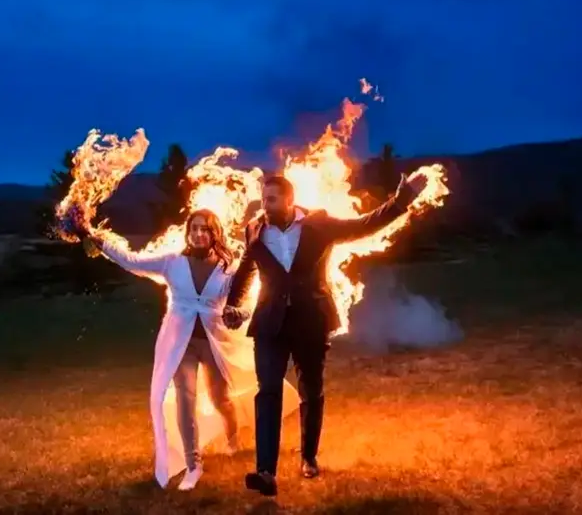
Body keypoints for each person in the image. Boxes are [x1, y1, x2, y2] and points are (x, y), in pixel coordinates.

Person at [223, 172, 428, 497]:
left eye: (271, 199)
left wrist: (401, 201)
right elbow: (247, 267)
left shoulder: (319, 225)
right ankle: (265, 472)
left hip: (310, 320)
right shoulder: (254, 229)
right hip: (270, 323)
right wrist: (233, 304)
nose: (265, 205)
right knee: (268, 391)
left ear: (289, 200)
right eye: (263, 199)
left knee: (311, 390)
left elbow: (364, 226)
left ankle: (308, 457)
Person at [72, 209, 299, 491]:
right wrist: (95, 237)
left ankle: (232, 439)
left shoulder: (229, 268)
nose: (199, 234)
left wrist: (240, 313)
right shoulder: (172, 262)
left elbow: (246, 300)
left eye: (205, 229)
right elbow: (131, 261)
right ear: (188, 233)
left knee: (220, 398)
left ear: (215, 233)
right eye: (194, 229)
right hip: (181, 343)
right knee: (185, 398)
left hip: (216, 342)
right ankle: (194, 464)